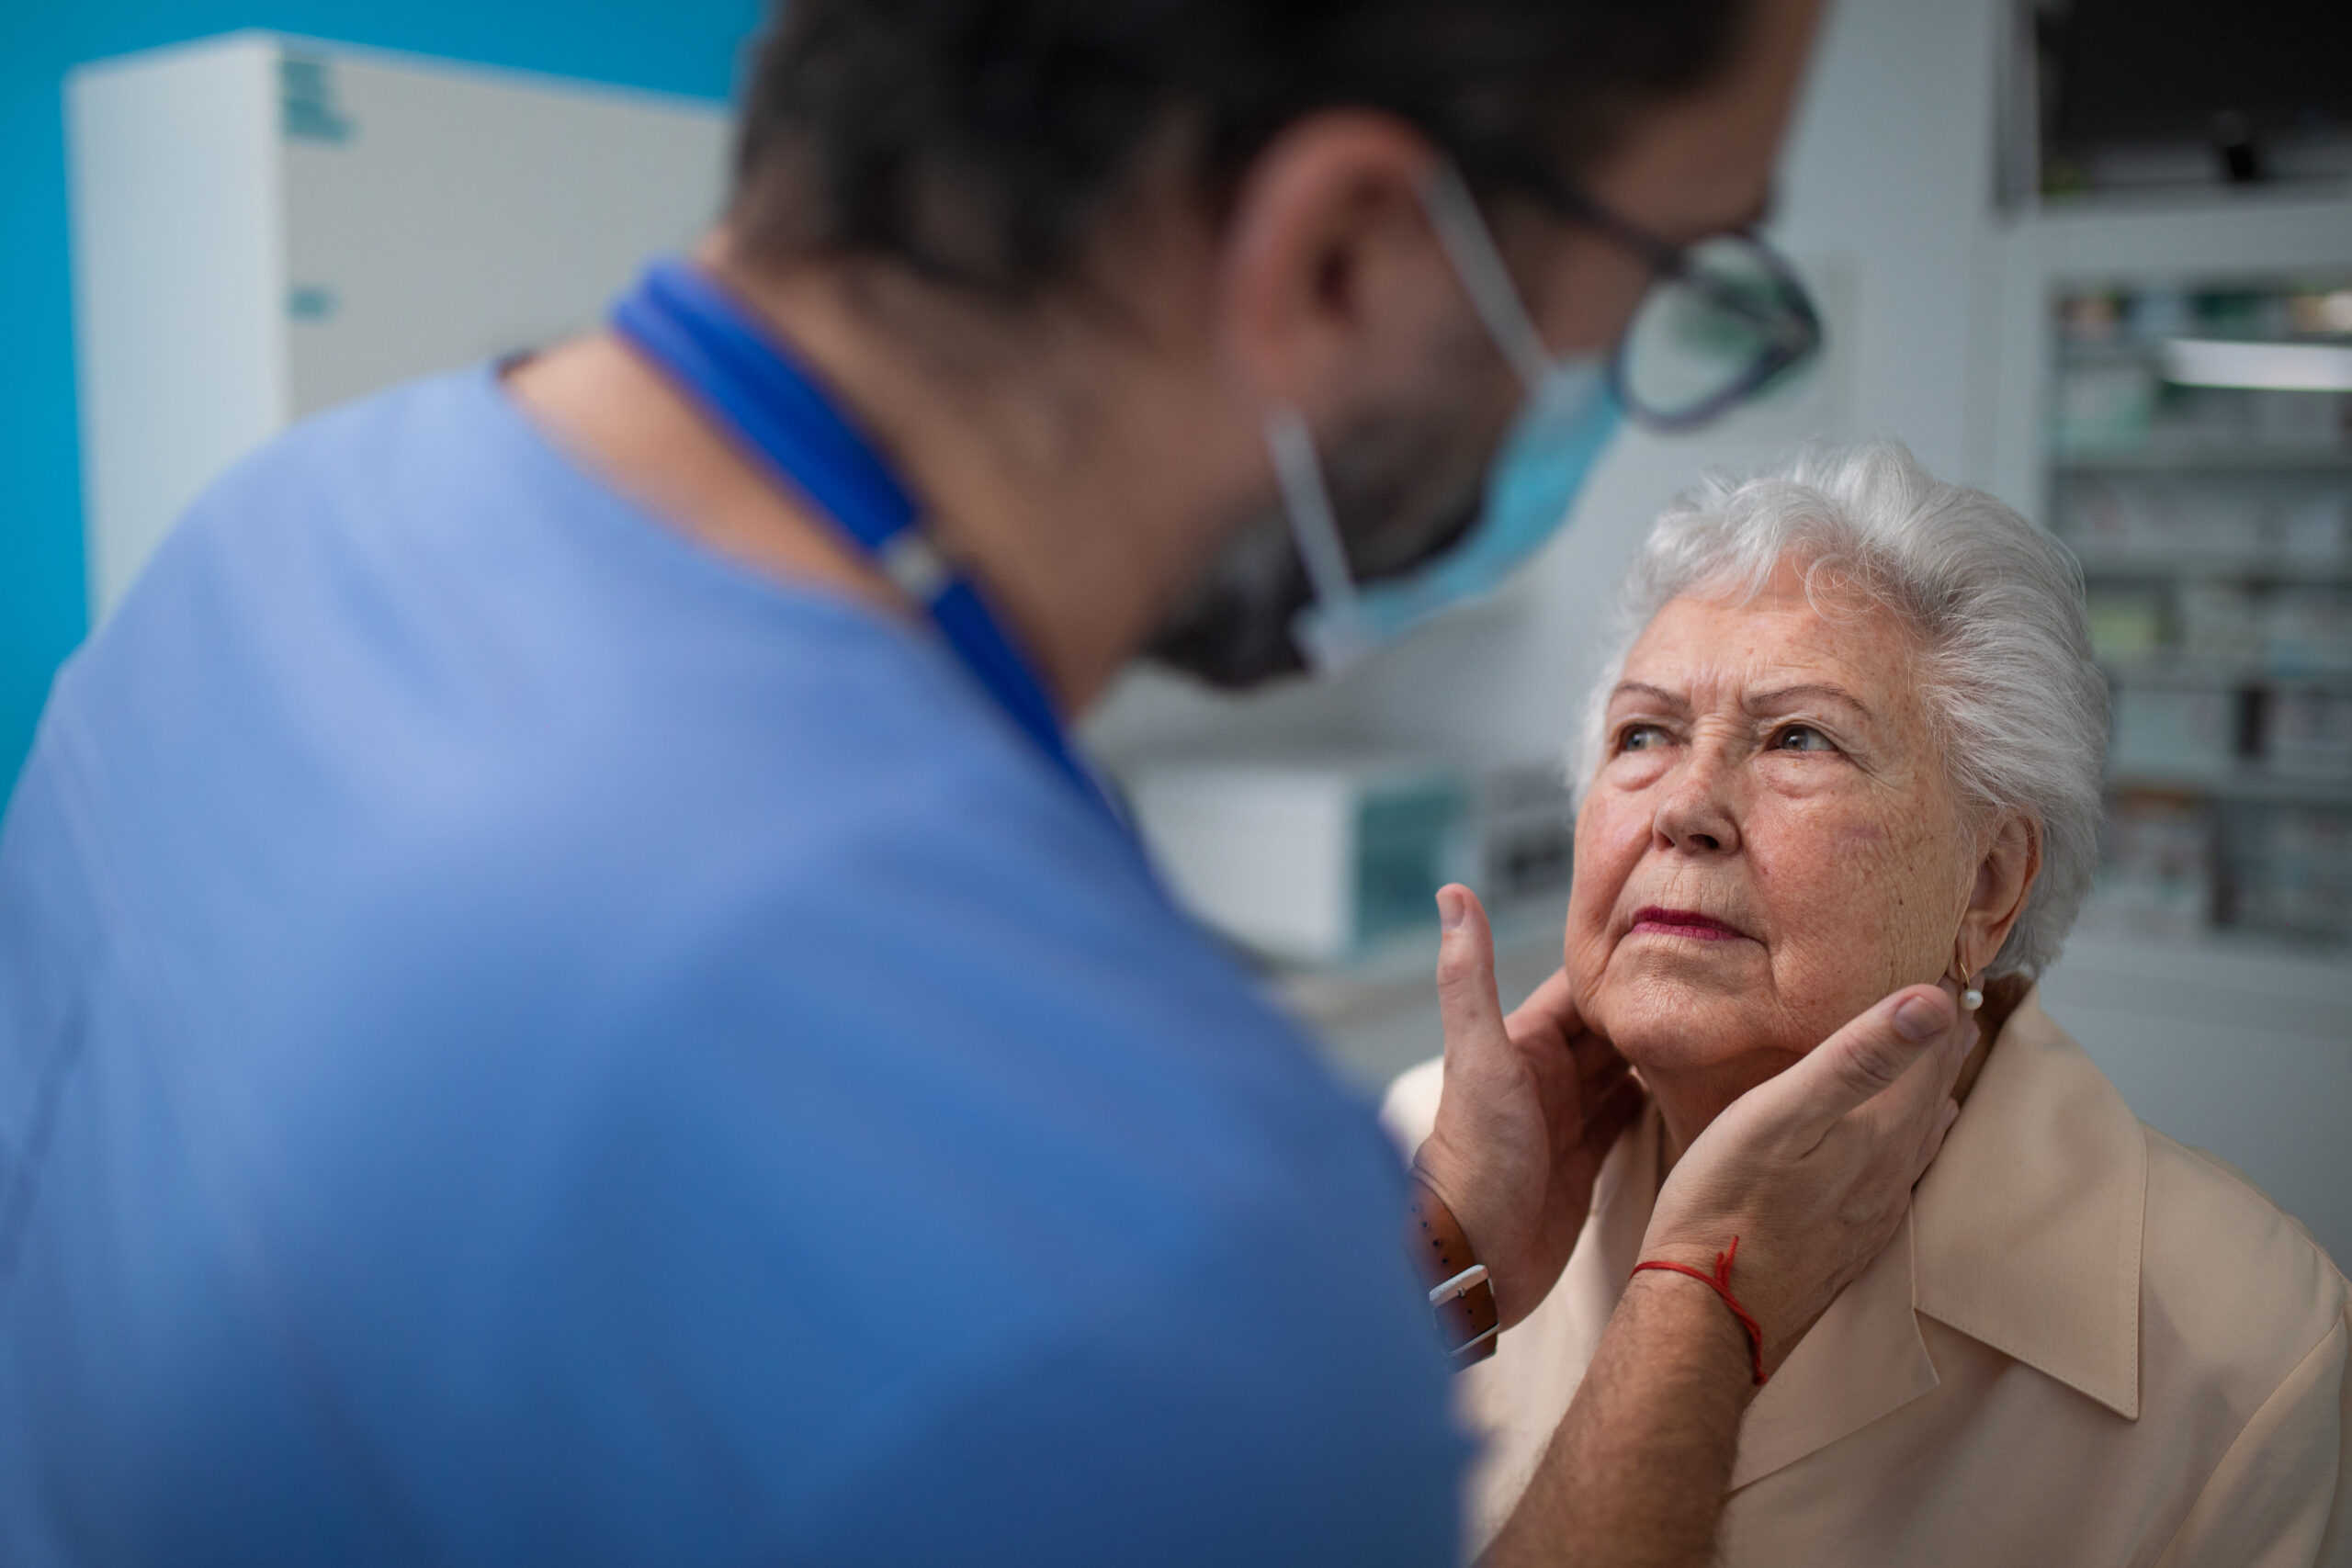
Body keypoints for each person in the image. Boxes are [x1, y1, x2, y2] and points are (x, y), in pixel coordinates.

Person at [0, 3, 1977, 1563]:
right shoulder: (1162, 1229)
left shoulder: (259, 544)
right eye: (1657, 271)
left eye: (1801, 735)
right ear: (1347, 253)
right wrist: (1695, 1312)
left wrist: (1407, 1261)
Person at [1386, 441, 2352, 1567]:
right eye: (1643, 734)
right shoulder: (1424, 1165)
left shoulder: (2246, 1345)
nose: (1683, 807)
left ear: (1987, 886)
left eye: (1800, 737)